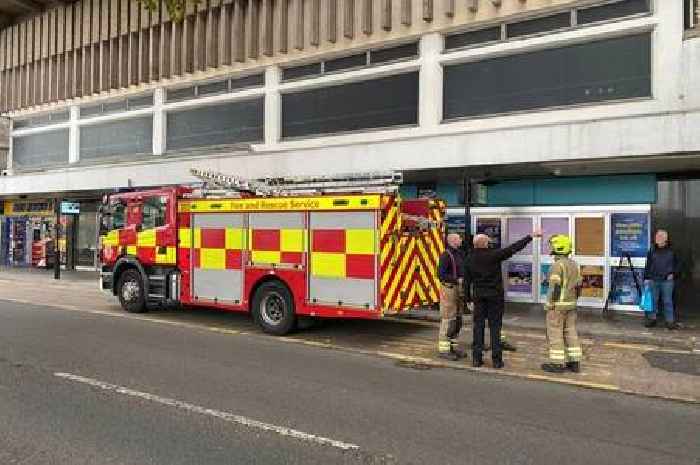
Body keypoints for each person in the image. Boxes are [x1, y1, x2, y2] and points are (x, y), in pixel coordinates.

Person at [465, 228, 542, 368]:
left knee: (478, 327)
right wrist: (530, 236)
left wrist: (468, 299)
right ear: (486, 244)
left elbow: (466, 281)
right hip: (495, 297)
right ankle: (497, 361)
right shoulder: (494, 255)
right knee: (495, 327)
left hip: (478, 297)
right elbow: (513, 248)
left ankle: (477, 359)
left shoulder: (469, 258)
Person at [541, 235, 583, 374]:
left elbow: (555, 288)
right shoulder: (574, 265)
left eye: (552, 246)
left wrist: (550, 304)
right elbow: (578, 287)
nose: (550, 248)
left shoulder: (557, 266)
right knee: (571, 332)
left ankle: (557, 364)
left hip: (558, 307)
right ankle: (574, 362)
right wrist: (573, 301)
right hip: (571, 306)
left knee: (555, 334)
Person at [437, 233, 466, 361]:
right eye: (459, 238)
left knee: (457, 319)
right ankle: (444, 350)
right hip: (449, 289)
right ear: (453, 240)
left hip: (457, 289)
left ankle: (453, 347)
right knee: (448, 318)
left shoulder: (459, 253)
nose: (461, 240)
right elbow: (441, 274)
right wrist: (456, 280)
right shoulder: (446, 255)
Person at [643, 230, 679, 330]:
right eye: (656, 236)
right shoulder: (652, 249)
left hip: (667, 280)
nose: (657, 238)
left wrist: (673, 274)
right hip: (653, 279)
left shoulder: (672, 250)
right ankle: (652, 319)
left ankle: (670, 321)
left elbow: (678, 264)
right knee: (653, 301)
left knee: (667, 301)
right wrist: (646, 278)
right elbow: (648, 265)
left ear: (665, 238)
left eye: (659, 236)